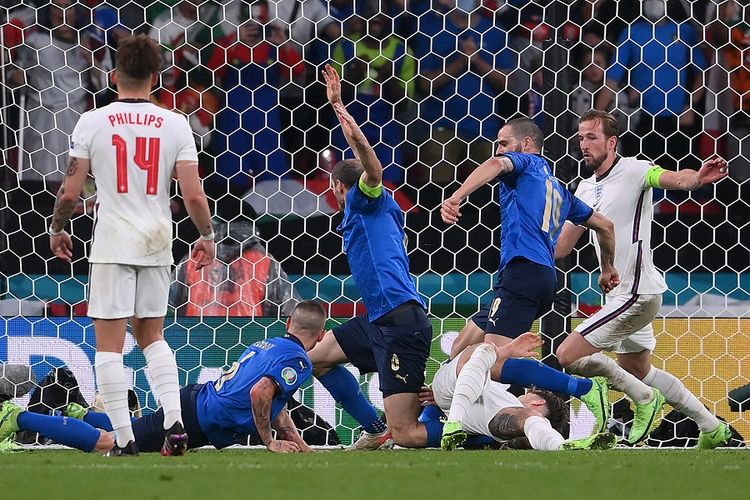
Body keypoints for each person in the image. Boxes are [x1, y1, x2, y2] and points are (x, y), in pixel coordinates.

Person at [48, 34, 215, 456]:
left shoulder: (93, 121)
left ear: (113, 74)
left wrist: (58, 227)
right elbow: (194, 195)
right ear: (156, 76)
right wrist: (208, 236)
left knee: (109, 345)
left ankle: (125, 441)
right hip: (158, 240)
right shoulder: (176, 122)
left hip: (112, 241)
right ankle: (175, 421)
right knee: (153, 335)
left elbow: (70, 192)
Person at [553, 109, 732, 448]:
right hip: (619, 296)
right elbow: (562, 247)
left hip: (637, 292)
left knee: (567, 355)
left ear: (612, 141)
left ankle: (644, 400)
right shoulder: (584, 188)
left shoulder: (635, 170)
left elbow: (676, 179)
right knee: (636, 368)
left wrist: (698, 178)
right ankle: (711, 426)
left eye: (592, 137)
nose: (584, 144)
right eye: (581, 138)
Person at [439, 118, 619, 434]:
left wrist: (457, 196)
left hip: (521, 272)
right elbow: (605, 225)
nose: (499, 150)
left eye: (504, 143)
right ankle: (455, 410)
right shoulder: (561, 190)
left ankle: (583, 389)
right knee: (461, 350)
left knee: (493, 364)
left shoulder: (527, 164)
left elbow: (495, 164)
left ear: (525, 145)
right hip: (542, 277)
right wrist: (607, 267)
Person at [0, 301, 326, 454]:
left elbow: (277, 404)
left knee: (120, 430)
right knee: (111, 444)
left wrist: (300, 445)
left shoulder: (267, 344)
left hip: (197, 405)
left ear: (288, 325)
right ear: (322, 334)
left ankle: (79, 413)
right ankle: (17, 417)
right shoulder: (298, 360)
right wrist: (270, 442)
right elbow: (260, 394)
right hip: (197, 416)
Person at [307, 65, 434, 449]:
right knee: (316, 359)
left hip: (400, 323)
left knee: (408, 436)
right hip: (378, 321)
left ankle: (476, 432)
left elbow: (373, 169)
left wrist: (339, 107)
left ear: (338, 187)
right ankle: (372, 426)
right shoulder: (364, 211)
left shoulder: (365, 201)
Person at [430, 334, 616, 451]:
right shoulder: (509, 414)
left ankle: (453, 423)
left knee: (485, 349)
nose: (529, 391)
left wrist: (507, 350)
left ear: (538, 402)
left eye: (533, 392)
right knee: (527, 418)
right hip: (466, 409)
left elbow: (476, 360)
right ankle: (559, 446)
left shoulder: (512, 405)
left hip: (452, 398)